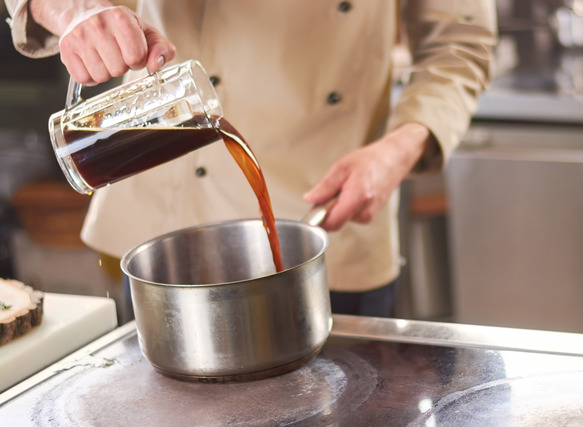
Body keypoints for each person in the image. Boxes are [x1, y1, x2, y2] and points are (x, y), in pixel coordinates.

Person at [5, 0, 496, 317]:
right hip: (165, 219)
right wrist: (74, 10)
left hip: (329, 229)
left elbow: (461, 42)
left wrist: (398, 149)